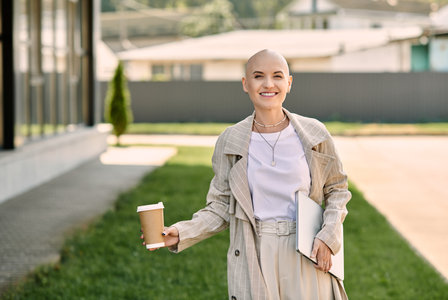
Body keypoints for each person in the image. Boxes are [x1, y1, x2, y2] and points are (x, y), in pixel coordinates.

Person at [141, 49, 351, 300]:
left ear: (289, 83)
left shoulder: (315, 133)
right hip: (256, 250)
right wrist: (182, 232)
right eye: (258, 76)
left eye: (277, 76)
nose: (268, 84)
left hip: (307, 249)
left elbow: (337, 189)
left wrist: (328, 237)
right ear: (245, 84)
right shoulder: (231, 140)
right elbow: (220, 206)